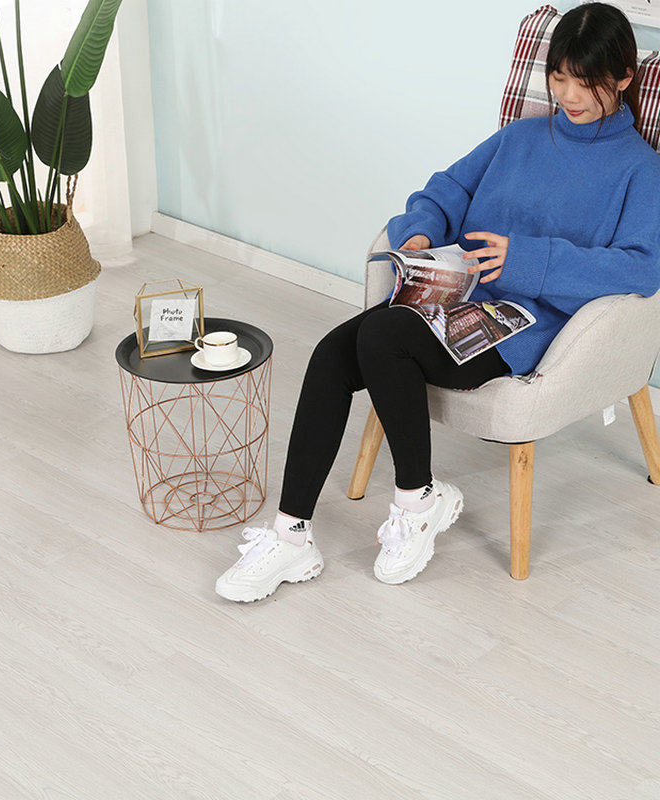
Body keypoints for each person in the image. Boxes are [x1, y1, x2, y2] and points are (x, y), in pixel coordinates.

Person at [215, 2, 660, 602]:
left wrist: (529, 260)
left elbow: (642, 266)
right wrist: (422, 232)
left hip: (524, 326)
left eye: (587, 82)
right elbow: (446, 188)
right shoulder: (520, 137)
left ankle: (417, 499)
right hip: (456, 293)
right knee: (331, 353)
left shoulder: (640, 170)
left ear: (625, 77)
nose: (570, 96)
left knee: (380, 336)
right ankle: (291, 534)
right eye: (559, 78)